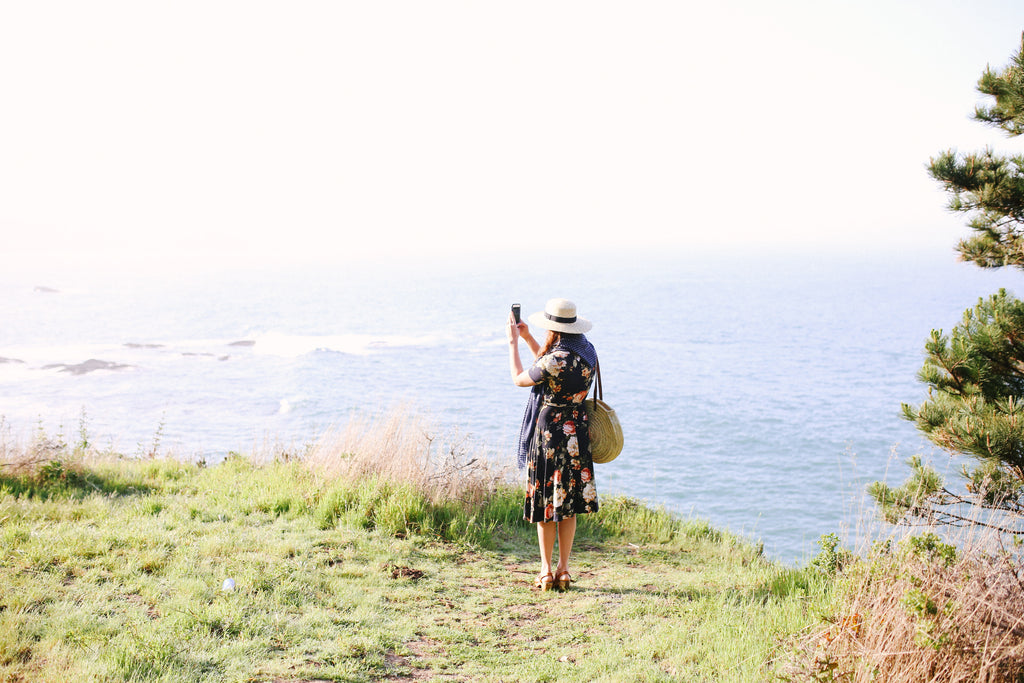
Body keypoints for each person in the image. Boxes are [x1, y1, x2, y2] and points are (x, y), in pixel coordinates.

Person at [507, 298, 599, 591]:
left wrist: (513, 344)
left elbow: (522, 378)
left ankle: (546, 571)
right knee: (568, 504)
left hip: (549, 435)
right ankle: (564, 569)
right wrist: (528, 338)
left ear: (554, 330)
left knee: (547, 502)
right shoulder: (586, 353)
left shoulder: (554, 359)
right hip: (576, 432)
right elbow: (550, 372)